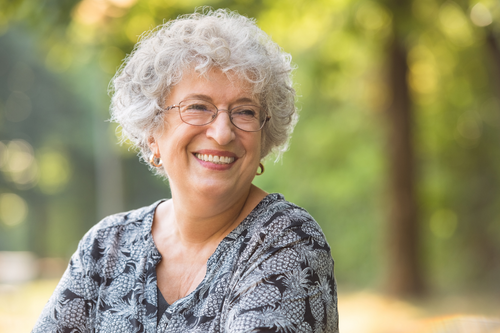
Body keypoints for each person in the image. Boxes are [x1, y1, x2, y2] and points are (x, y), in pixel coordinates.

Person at [33, 8, 338, 333]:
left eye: (245, 111)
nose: (222, 133)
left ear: (264, 139)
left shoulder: (287, 242)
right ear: (153, 133)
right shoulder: (106, 247)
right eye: (197, 107)